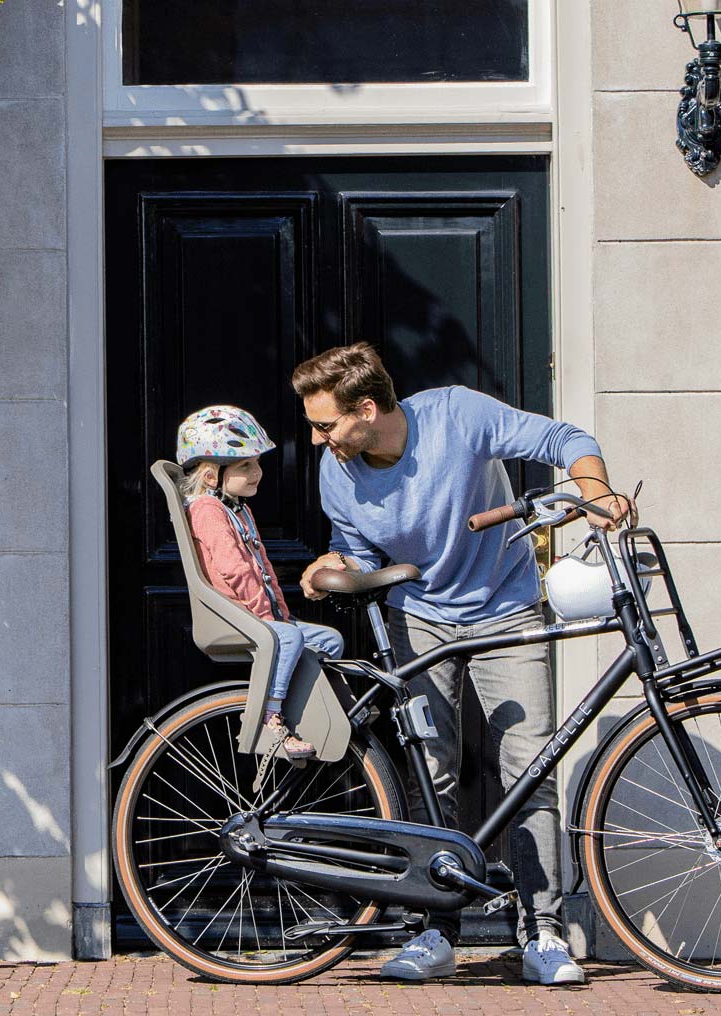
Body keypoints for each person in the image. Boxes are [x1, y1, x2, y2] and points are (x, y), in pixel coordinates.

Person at [292, 343, 632, 987]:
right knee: (432, 770)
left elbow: (565, 438)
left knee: (530, 765)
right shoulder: (339, 470)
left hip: (507, 606)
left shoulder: (458, 416)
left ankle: (543, 933)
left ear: (367, 409)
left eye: (325, 424)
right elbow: (354, 548)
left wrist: (597, 493)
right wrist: (332, 568)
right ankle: (433, 931)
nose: (317, 440)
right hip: (417, 615)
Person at [177, 404, 344, 760]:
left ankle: (305, 713)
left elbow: (262, 566)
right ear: (211, 476)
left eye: (257, 463)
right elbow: (235, 569)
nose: (258, 473)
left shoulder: (237, 508)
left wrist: (280, 613)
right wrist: (267, 618)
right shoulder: (207, 511)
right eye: (245, 465)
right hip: (237, 614)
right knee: (288, 636)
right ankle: (270, 718)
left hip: (262, 614)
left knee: (330, 640)